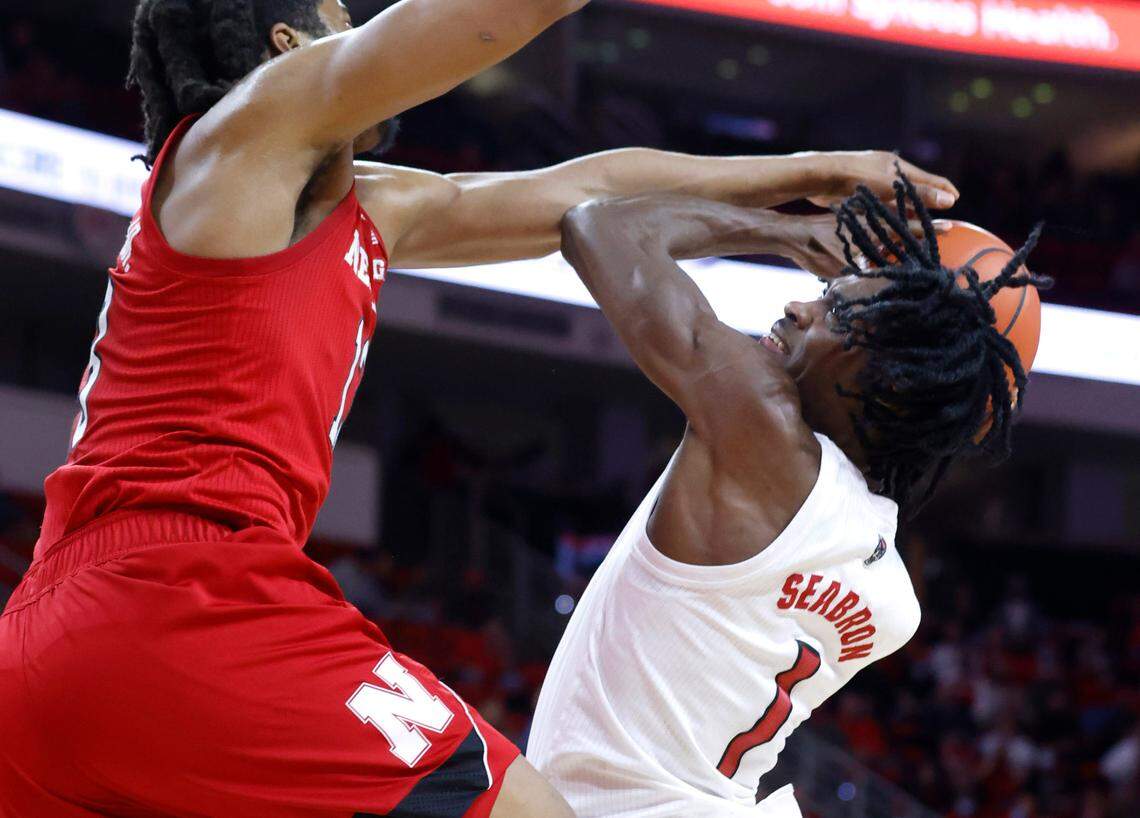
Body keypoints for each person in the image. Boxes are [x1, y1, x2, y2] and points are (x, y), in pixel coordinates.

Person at [0, 1, 961, 816]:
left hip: (63, 637)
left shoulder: (357, 206)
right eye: (347, 14)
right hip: (183, 594)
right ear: (293, 49)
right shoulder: (243, 136)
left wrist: (800, 173)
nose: (367, 23)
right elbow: (477, 21)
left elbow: (583, 193)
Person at [527, 177, 1048, 816]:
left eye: (834, 307)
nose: (799, 307)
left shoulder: (762, 431)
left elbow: (596, 226)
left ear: (879, 377)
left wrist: (785, 229)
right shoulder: (891, 595)